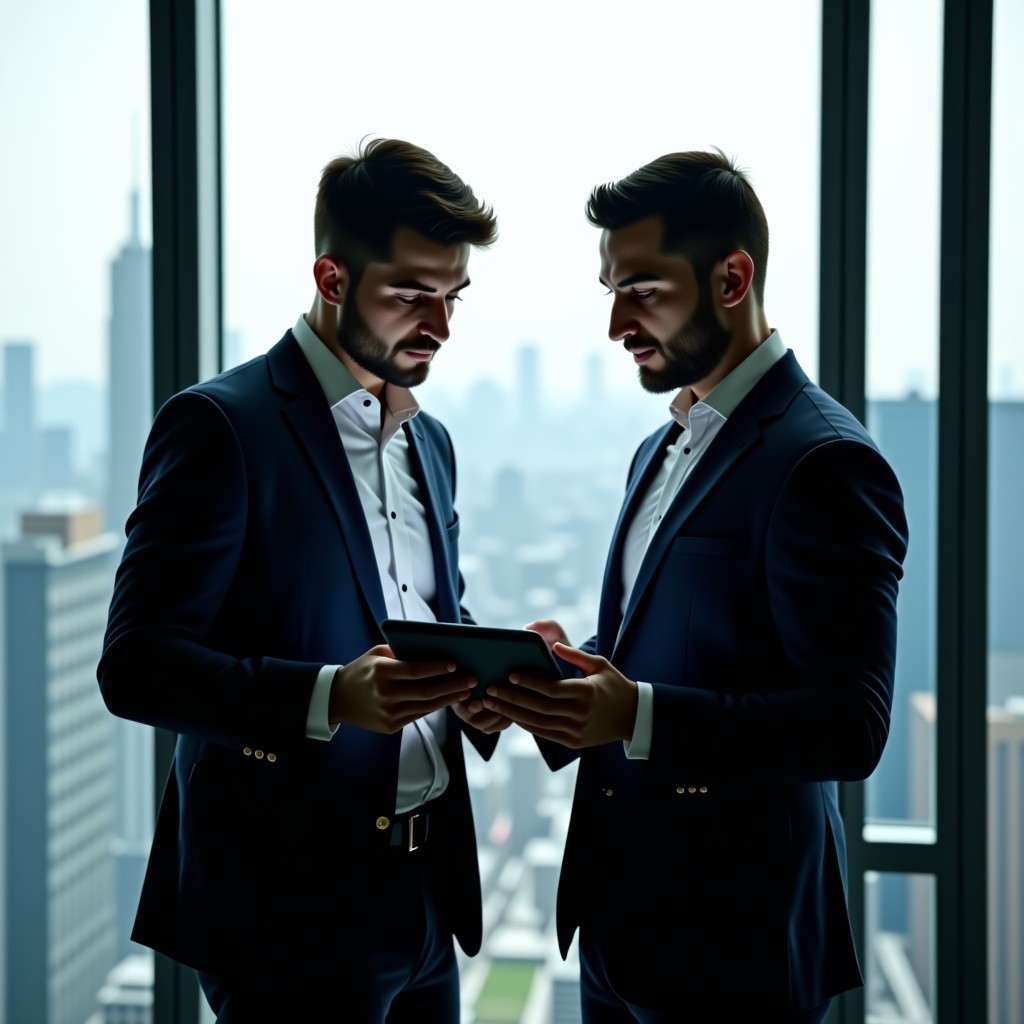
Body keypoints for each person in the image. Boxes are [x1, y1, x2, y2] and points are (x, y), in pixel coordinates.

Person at [481, 150, 909, 1023]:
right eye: (609, 288)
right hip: (618, 930)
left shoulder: (825, 463)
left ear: (732, 276)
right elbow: (667, 654)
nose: (615, 323)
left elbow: (848, 727)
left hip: (736, 949)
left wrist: (634, 715)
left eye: (641, 288)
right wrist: (548, 678)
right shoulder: (661, 447)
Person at [98, 138, 508, 1023]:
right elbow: (135, 667)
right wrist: (330, 697)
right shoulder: (219, 428)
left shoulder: (430, 445)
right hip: (287, 913)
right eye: (411, 296)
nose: (438, 326)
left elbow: (430, 620)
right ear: (330, 279)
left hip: (430, 893)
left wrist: (480, 683)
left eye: (453, 297)